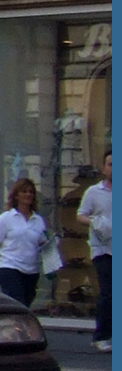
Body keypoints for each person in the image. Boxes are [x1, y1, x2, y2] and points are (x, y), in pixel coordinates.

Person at [0, 177, 49, 307]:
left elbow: (43, 244)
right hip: (10, 267)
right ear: (16, 196)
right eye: (24, 191)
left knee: (26, 304)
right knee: (18, 303)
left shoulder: (38, 220)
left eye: (31, 192)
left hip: (31, 270)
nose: (28, 195)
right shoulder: (6, 218)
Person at [76, 148, 111, 353]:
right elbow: (80, 215)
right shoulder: (94, 192)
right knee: (109, 292)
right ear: (103, 168)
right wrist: (94, 223)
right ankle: (101, 336)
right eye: (111, 164)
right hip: (102, 249)